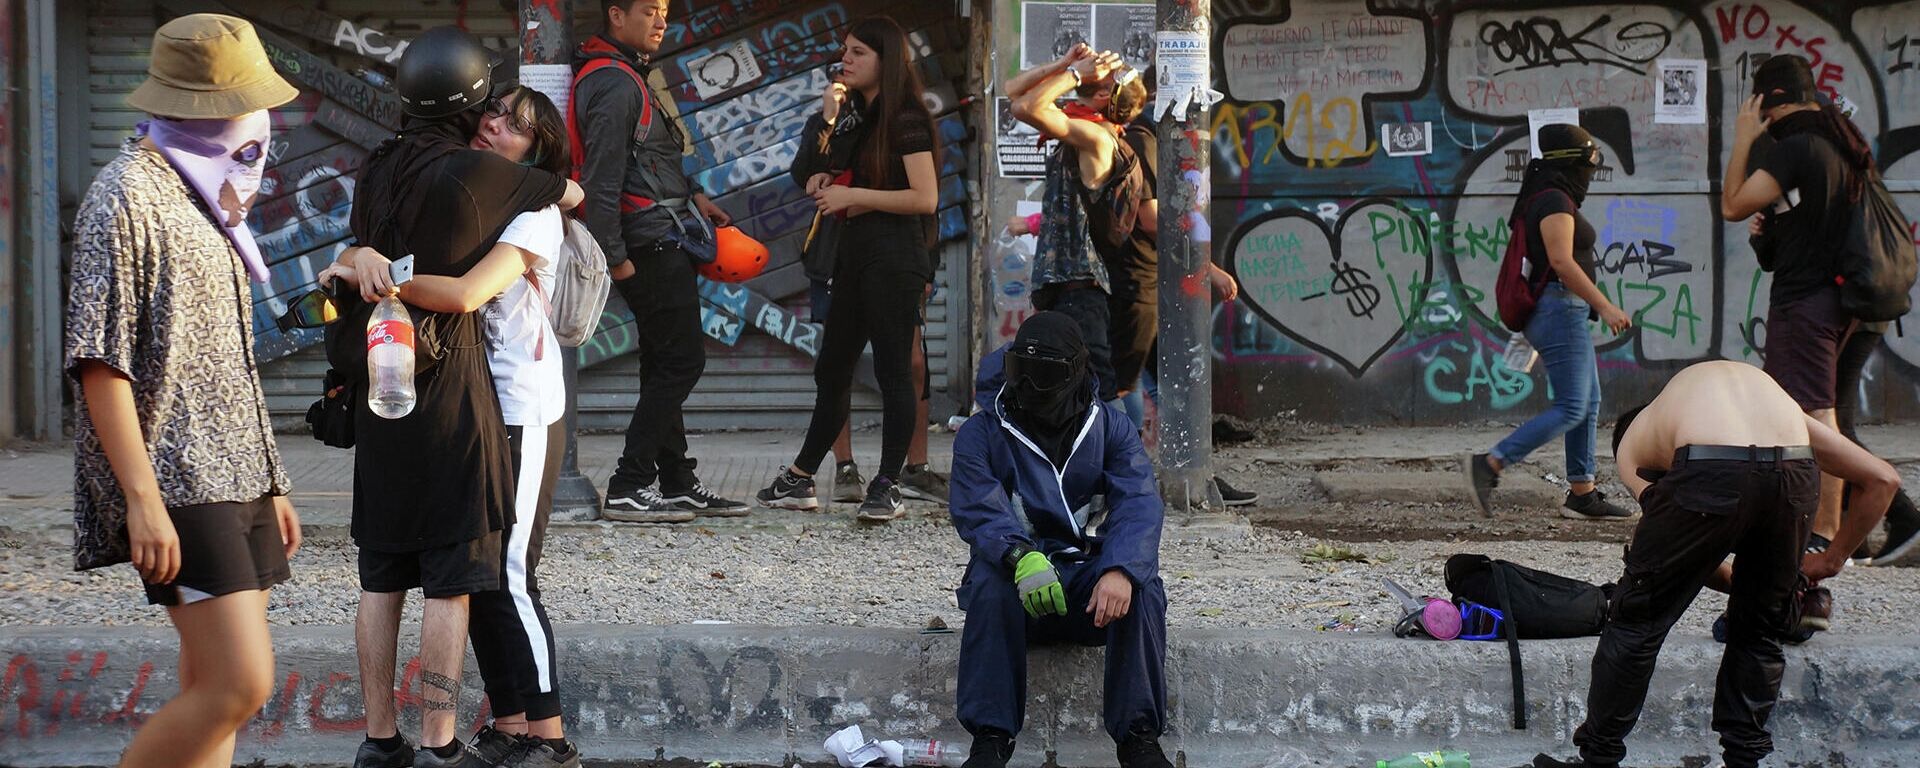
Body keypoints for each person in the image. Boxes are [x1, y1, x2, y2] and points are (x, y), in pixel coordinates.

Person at [65, 15, 302, 768]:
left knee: (208, 682)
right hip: (176, 473)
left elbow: (226, 354)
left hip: (239, 470)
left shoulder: (206, 189)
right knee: (240, 683)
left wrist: (274, 479)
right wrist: (140, 499)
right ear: (201, 106)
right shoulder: (126, 193)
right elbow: (100, 362)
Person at [326, 85, 584, 768]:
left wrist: (377, 272)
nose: (494, 125)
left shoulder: (530, 210)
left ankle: (550, 740)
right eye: (493, 113)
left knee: (509, 573)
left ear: (537, 148)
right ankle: (510, 723)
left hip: (523, 406)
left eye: (515, 125)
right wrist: (359, 259)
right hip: (472, 402)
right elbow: (368, 249)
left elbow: (466, 293)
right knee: (483, 579)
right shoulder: (470, 189)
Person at [1532, 361, 1899, 768]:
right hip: (1795, 470)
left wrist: (1716, 574)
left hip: (1709, 467)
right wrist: (1830, 560)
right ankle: (1744, 761)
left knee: (1637, 619)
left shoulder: (1634, 443)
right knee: (1759, 631)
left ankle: (1598, 760)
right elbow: (1883, 480)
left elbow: (1675, 555)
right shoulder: (1772, 407)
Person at [949, 313, 1172, 768]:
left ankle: (1139, 741)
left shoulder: (1111, 428)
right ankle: (990, 740)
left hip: (1087, 591)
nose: (1029, 385)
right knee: (989, 584)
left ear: (1072, 372)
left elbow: (1139, 504)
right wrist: (1019, 557)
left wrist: (1120, 569)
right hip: (1019, 589)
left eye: (1044, 373)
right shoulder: (982, 431)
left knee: (1145, 589)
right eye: (1019, 371)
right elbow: (977, 507)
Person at [753, 16, 943, 522]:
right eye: (845, 51)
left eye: (858, 52)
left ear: (886, 59)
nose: (846, 60)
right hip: (853, 258)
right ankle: (800, 477)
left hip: (896, 260)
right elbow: (813, 171)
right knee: (832, 367)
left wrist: (853, 194)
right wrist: (824, 167)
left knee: (892, 373)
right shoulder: (857, 116)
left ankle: (886, 485)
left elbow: (925, 197)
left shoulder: (906, 117)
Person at [577, 0, 747, 521]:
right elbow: (601, 180)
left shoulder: (628, 74)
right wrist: (616, 258)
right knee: (682, 361)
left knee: (662, 361)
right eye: (649, 10)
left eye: (664, 11)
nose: (661, 21)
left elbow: (645, 159)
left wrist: (694, 194)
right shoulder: (613, 83)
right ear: (615, 14)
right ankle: (630, 483)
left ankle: (676, 480)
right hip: (646, 243)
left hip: (658, 234)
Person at [1720, 54, 1877, 585]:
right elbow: (1804, 224)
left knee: (1814, 416)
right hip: (1830, 299)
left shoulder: (1797, 148)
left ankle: (1827, 533)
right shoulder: (1836, 143)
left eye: (1757, 108)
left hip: (1806, 303)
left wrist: (1743, 137)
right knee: (1813, 412)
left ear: (1767, 102)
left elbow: (1732, 204)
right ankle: (1851, 519)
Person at [1463, 123, 1636, 521]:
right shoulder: (1554, 200)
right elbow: (1561, 262)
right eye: (1586, 166)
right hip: (1558, 308)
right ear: (1572, 164)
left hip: (1562, 310)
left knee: (1587, 402)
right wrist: (1605, 305)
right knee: (1573, 405)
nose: (1588, 177)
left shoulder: (1546, 196)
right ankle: (1490, 463)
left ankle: (1582, 492)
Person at [1003, 44, 1148, 406]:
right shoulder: (1084, 126)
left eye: (1105, 70)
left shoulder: (1098, 138)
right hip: (1066, 283)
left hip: (1083, 285)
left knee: (1099, 382)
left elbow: (1027, 107)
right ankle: (1106, 456)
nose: (1097, 63)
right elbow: (1013, 93)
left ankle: (1123, 459)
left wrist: (1074, 75)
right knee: (1078, 382)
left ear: (1103, 95)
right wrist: (1064, 64)